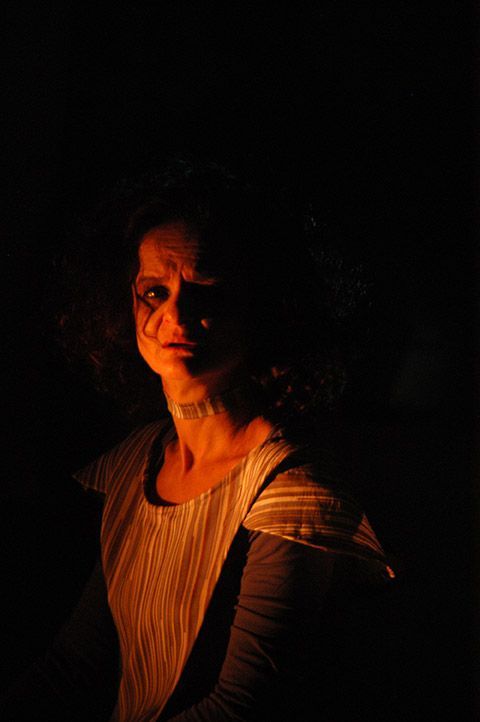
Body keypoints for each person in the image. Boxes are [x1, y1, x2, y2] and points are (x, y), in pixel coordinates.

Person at [2, 158, 395, 721]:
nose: (176, 314)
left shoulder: (292, 491)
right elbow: (76, 663)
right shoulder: (134, 464)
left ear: (264, 308)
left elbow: (243, 706)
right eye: (153, 291)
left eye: (207, 290)